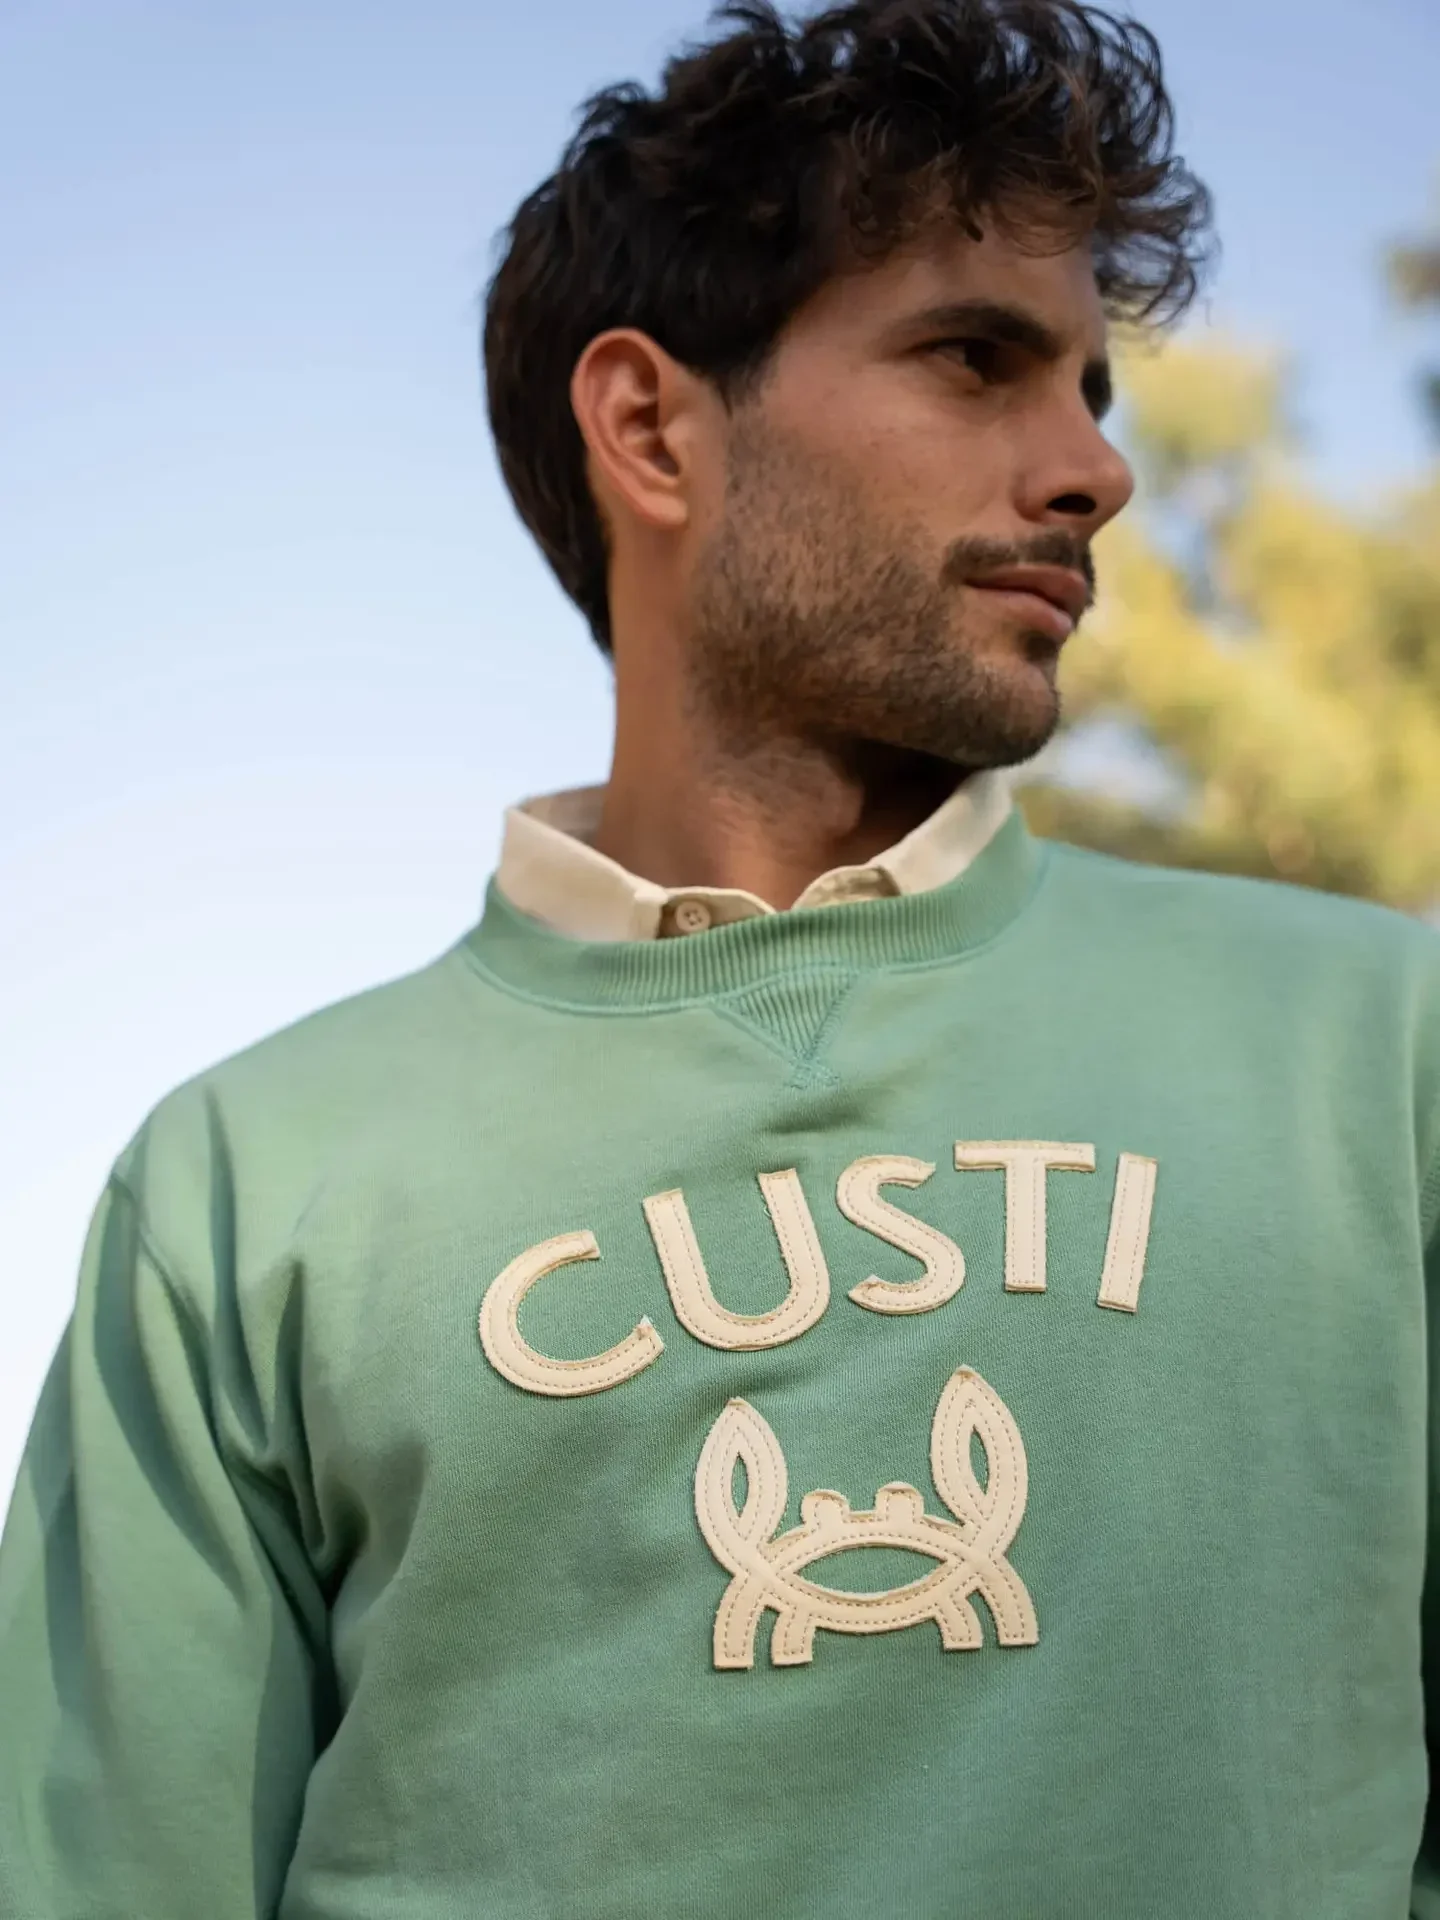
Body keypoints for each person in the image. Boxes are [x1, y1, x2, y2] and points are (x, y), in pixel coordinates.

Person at [3, 0, 1438, 1913]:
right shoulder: (245, 1189)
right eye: (975, 359)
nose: (1094, 468)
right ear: (649, 427)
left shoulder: (1383, 1055)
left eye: (1095, 389)